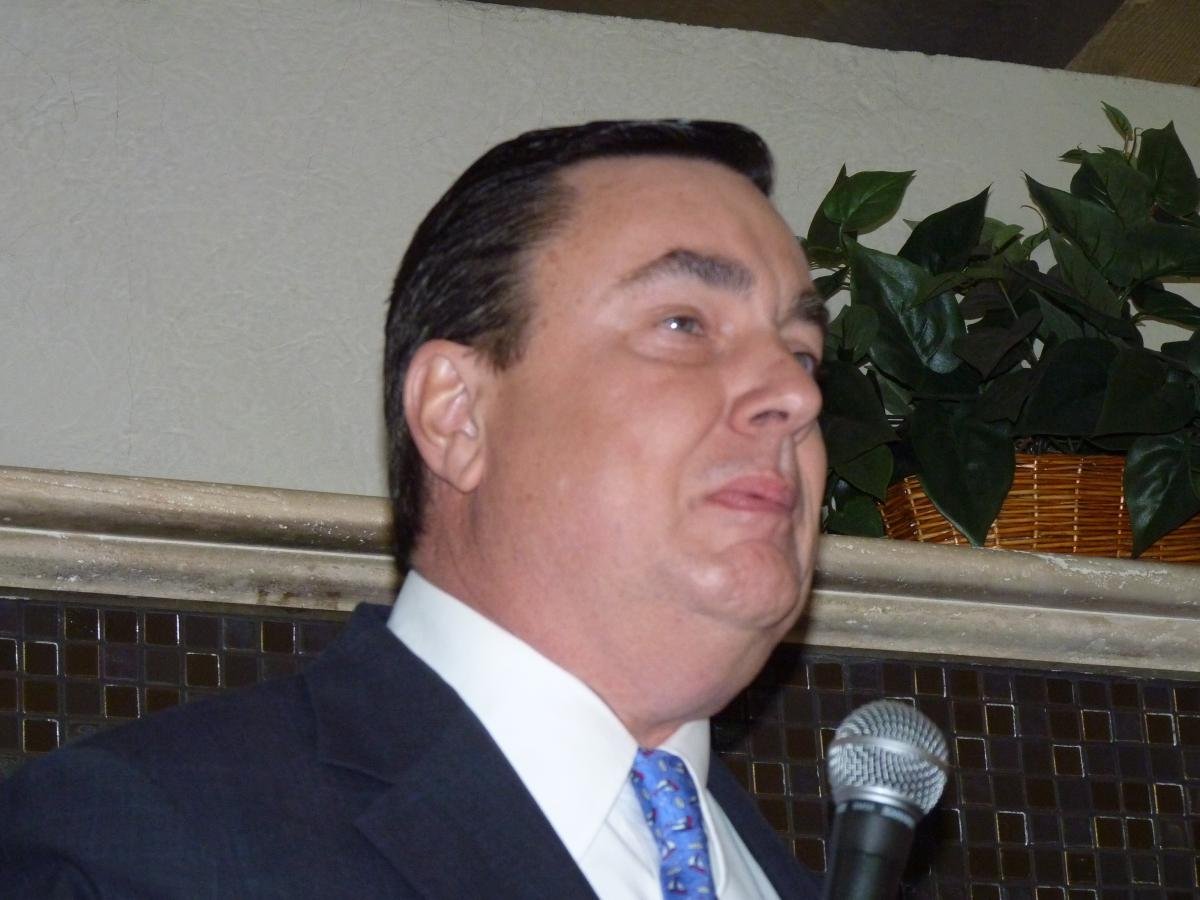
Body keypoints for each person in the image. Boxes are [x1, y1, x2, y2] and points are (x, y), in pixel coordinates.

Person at [0, 120, 826, 898]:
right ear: (456, 415)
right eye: (683, 324)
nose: (795, 394)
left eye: (802, 353)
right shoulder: (135, 846)